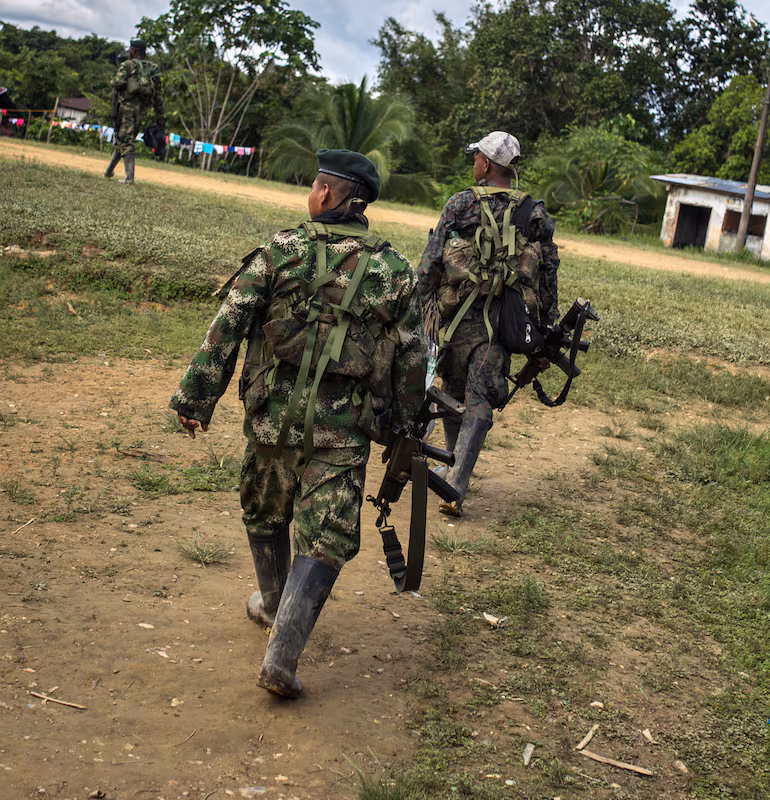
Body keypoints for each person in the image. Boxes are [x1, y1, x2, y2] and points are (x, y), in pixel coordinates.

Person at [169, 149, 428, 698]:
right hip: (344, 426)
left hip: (271, 415)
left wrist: (195, 398)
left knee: (264, 506)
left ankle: (269, 602)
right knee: (326, 532)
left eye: (315, 185)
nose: (311, 193)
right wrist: (404, 429)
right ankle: (281, 657)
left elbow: (229, 324)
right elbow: (411, 359)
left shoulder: (279, 251)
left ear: (329, 196)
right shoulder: (396, 271)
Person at [417, 131, 559, 516]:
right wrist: (547, 325)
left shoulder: (461, 202)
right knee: (478, 398)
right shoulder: (535, 212)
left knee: (453, 390)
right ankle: (454, 476)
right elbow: (548, 272)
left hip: (455, 317)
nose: (473, 162)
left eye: (476, 156)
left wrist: (419, 305)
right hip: (503, 321)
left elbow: (432, 261)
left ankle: (452, 478)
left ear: (487, 165)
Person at [105, 37, 163, 185]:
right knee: (124, 140)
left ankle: (129, 178)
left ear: (134, 50)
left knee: (126, 141)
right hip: (141, 111)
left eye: (131, 49)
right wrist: (159, 116)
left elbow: (117, 83)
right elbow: (158, 94)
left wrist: (116, 82)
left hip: (126, 110)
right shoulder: (153, 68)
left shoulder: (127, 65)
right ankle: (109, 171)